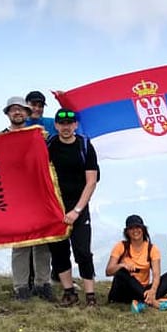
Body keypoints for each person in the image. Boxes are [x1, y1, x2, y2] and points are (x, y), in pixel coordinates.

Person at [47, 108, 99, 307]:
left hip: (79, 206)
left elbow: (91, 181)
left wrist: (77, 210)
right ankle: (69, 292)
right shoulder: (49, 145)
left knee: (82, 251)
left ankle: (90, 294)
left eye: (70, 123)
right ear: (56, 125)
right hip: (55, 208)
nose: (66, 127)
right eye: (62, 123)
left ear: (75, 125)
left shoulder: (85, 146)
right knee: (59, 251)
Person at [3, 96, 53, 301]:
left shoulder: (39, 135)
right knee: (20, 242)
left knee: (43, 241)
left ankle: (43, 283)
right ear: (7, 113)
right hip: (15, 197)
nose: (17, 113)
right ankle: (21, 286)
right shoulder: (0, 139)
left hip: (38, 193)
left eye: (21, 109)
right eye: (13, 110)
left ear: (27, 112)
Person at [106, 214, 167, 312]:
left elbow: (156, 275)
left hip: (142, 290)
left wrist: (152, 290)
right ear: (127, 232)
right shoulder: (121, 246)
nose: (135, 231)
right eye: (131, 228)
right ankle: (154, 302)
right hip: (122, 292)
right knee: (121, 272)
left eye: (137, 227)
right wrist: (122, 265)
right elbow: (108, 271)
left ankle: (143, 301)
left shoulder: (152, 249)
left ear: (143, 229)